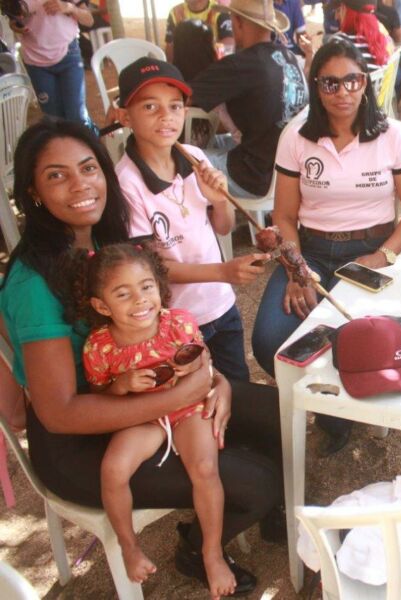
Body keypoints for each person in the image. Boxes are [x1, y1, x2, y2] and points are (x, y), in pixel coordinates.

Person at [0, 119, 284, 596]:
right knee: (257, 481)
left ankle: (250, 506)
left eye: (88, 168)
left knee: (277, 414)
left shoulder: (106, 242)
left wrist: (212, 379)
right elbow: (59, 413)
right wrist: (185, 395)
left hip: (155, 388)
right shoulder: (34, 283)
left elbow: (166, 332)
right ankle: (197, 549)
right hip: (80, 442)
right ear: (32, 192)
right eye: (56, 175)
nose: (80, 185)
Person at [251, 39, 401, 455]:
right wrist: (296, 269)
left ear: (366, 82)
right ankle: (332, 411)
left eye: (352, 80)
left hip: (371, 249)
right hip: (309, 250)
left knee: (362, 336)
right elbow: (285, 216)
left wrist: (383, 256)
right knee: (268, 341)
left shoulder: (392, 135)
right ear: (316, 86)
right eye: (330, 83)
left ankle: (350, 404)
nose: (343, 92)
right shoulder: (296, 136)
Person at [58, 244, 235, 596]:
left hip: (186, 409)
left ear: (159, 285)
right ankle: (129, 547)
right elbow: (100, 396)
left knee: (204, 468)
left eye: (146, 286)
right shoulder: (99, 346)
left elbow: (204, 360)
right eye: (123, 294)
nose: (140, 300)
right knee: (113, 469)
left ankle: (212, 553)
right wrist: (122, 385)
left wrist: (199, 368)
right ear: (102, 306)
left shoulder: (178, 323)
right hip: (141, 417)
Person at [115, 58, 270, 382]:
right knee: (194, 391)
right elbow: (149, 268)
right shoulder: (127, 183)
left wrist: (219, 201)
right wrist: (222, 272)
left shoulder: (195, 158)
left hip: (220, 303)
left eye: (174, 106)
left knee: (236, 384)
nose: (166, 116)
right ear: (125, 116)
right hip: (174, 319)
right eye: (150, 107)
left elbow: (223, 227)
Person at [189, 0, 307, 197]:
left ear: (237, 22)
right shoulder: (290, 57)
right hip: (287, 174)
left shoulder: (240, 65)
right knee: (216, 142)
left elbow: (183, 97)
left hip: (253, 177)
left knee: (181, 162)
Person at [7, 0, 95, 128]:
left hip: (68, 55)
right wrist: (15, 25)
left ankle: (90, 137)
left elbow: (89, 20)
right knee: (53, 121)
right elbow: (14, 19)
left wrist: (69, 7)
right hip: (35, 62)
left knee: (77, 117)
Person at [332, 0, 394, 71]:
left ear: (345, 10)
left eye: (339, 10)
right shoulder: (383, 41)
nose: (336, 17)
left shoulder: (339, 41)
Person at [165, 0, 234, 61]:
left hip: (212, 65)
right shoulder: (175, 11)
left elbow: (229, 44)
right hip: (184, 66)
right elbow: (170, 48)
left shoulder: (219, 11)